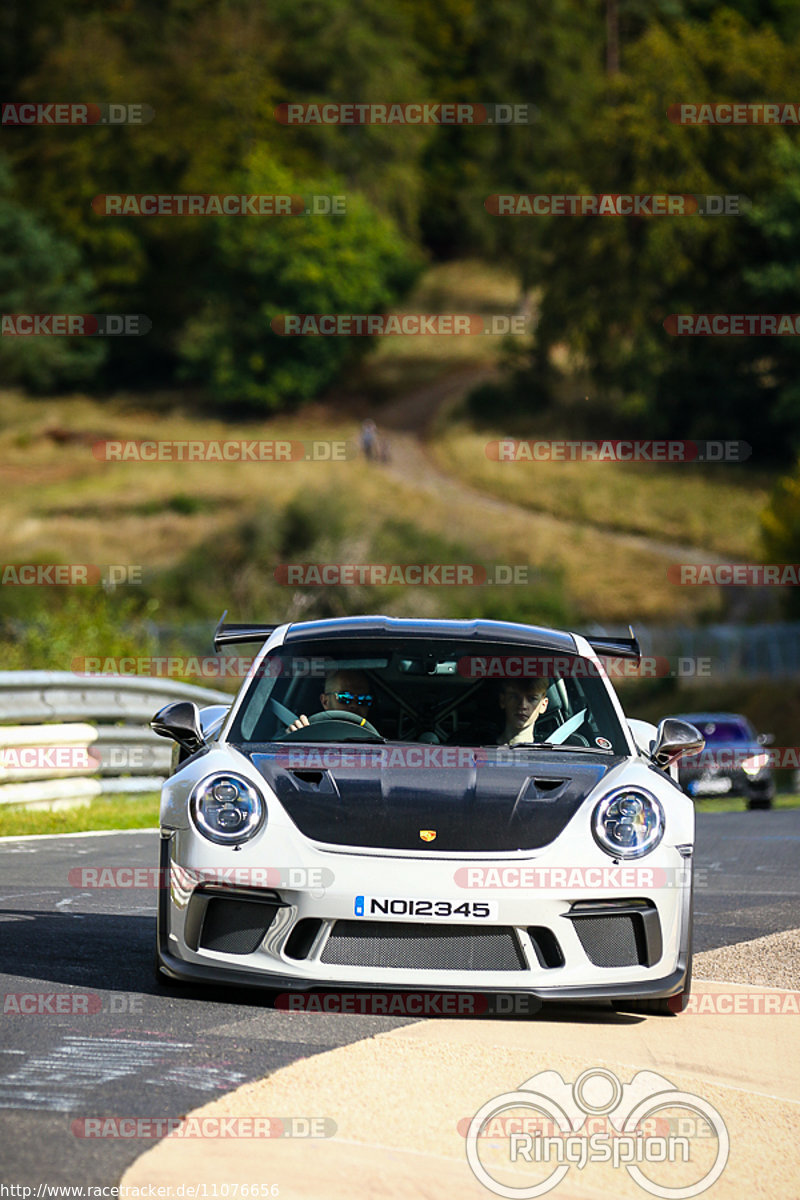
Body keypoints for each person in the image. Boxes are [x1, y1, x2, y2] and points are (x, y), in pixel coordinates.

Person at [285, 670, 374, 732]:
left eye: (364, 699)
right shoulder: (309, 732)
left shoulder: (381, 742)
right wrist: (296, 736)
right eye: (345, 698)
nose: (354, 705)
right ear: (325, 701)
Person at [497, 677, 549, 746]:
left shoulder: (550, 750)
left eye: (532, 699)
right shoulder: (480, 748)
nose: (522, 705)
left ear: (543, 705)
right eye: (515, 697)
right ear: (503, 700)